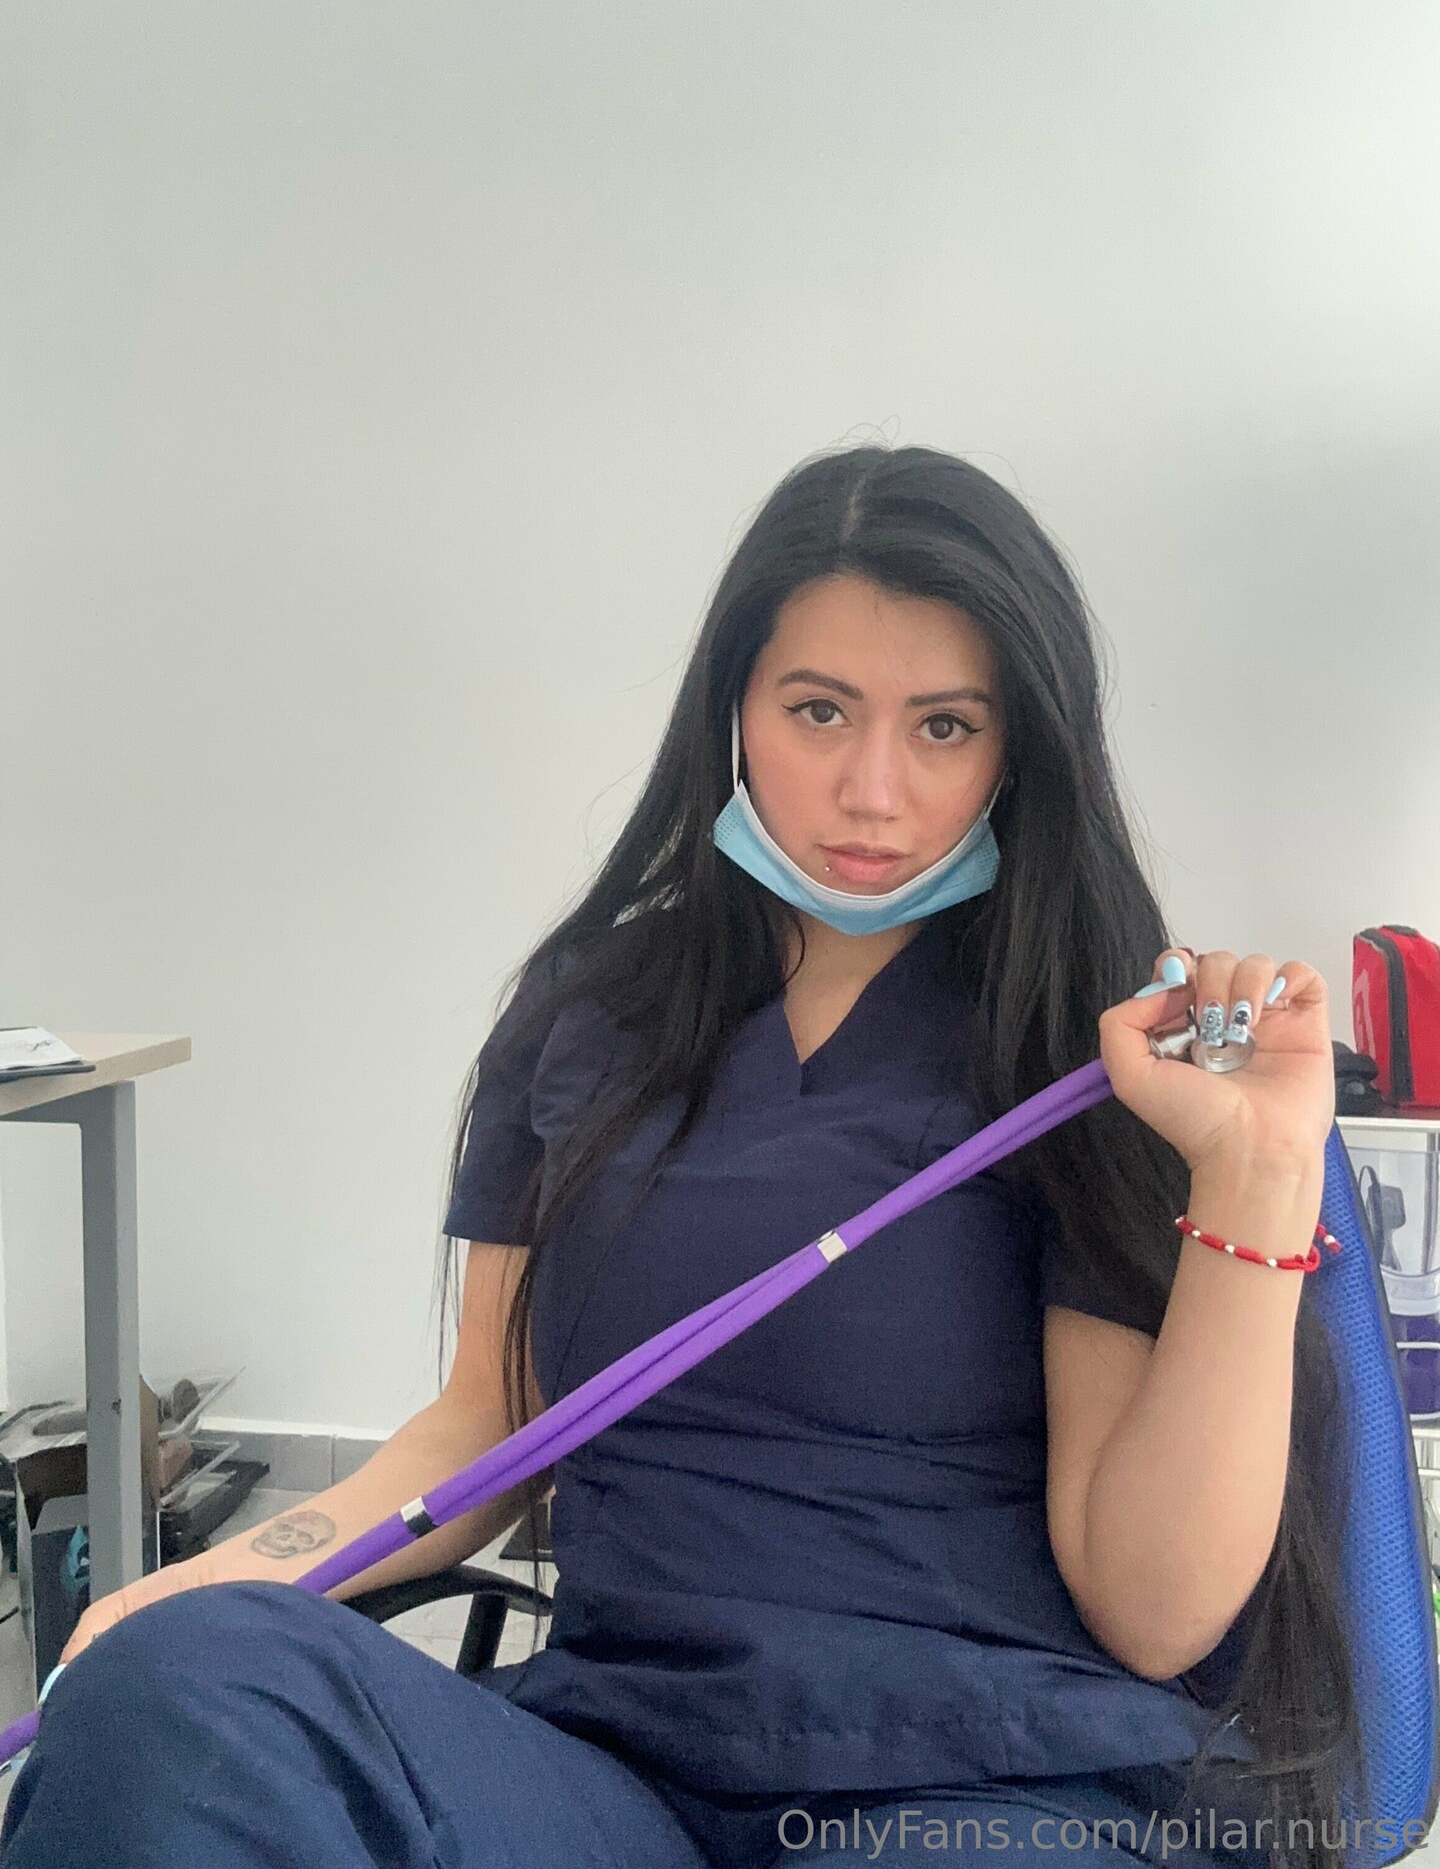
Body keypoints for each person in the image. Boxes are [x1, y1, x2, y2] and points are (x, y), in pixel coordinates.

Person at [1, 446, 1354, 1869]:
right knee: (176, 1692)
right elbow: (490, 1423)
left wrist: (1260, 1170)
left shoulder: (1090, 1054)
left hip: (983, 1784)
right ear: (734, 710)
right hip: (613, 1767)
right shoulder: (593, 1006)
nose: (873, 791)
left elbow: (1157, 1612)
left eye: (945, 727)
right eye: (819, 710)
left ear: (1018, 749)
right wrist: (205, 1592)